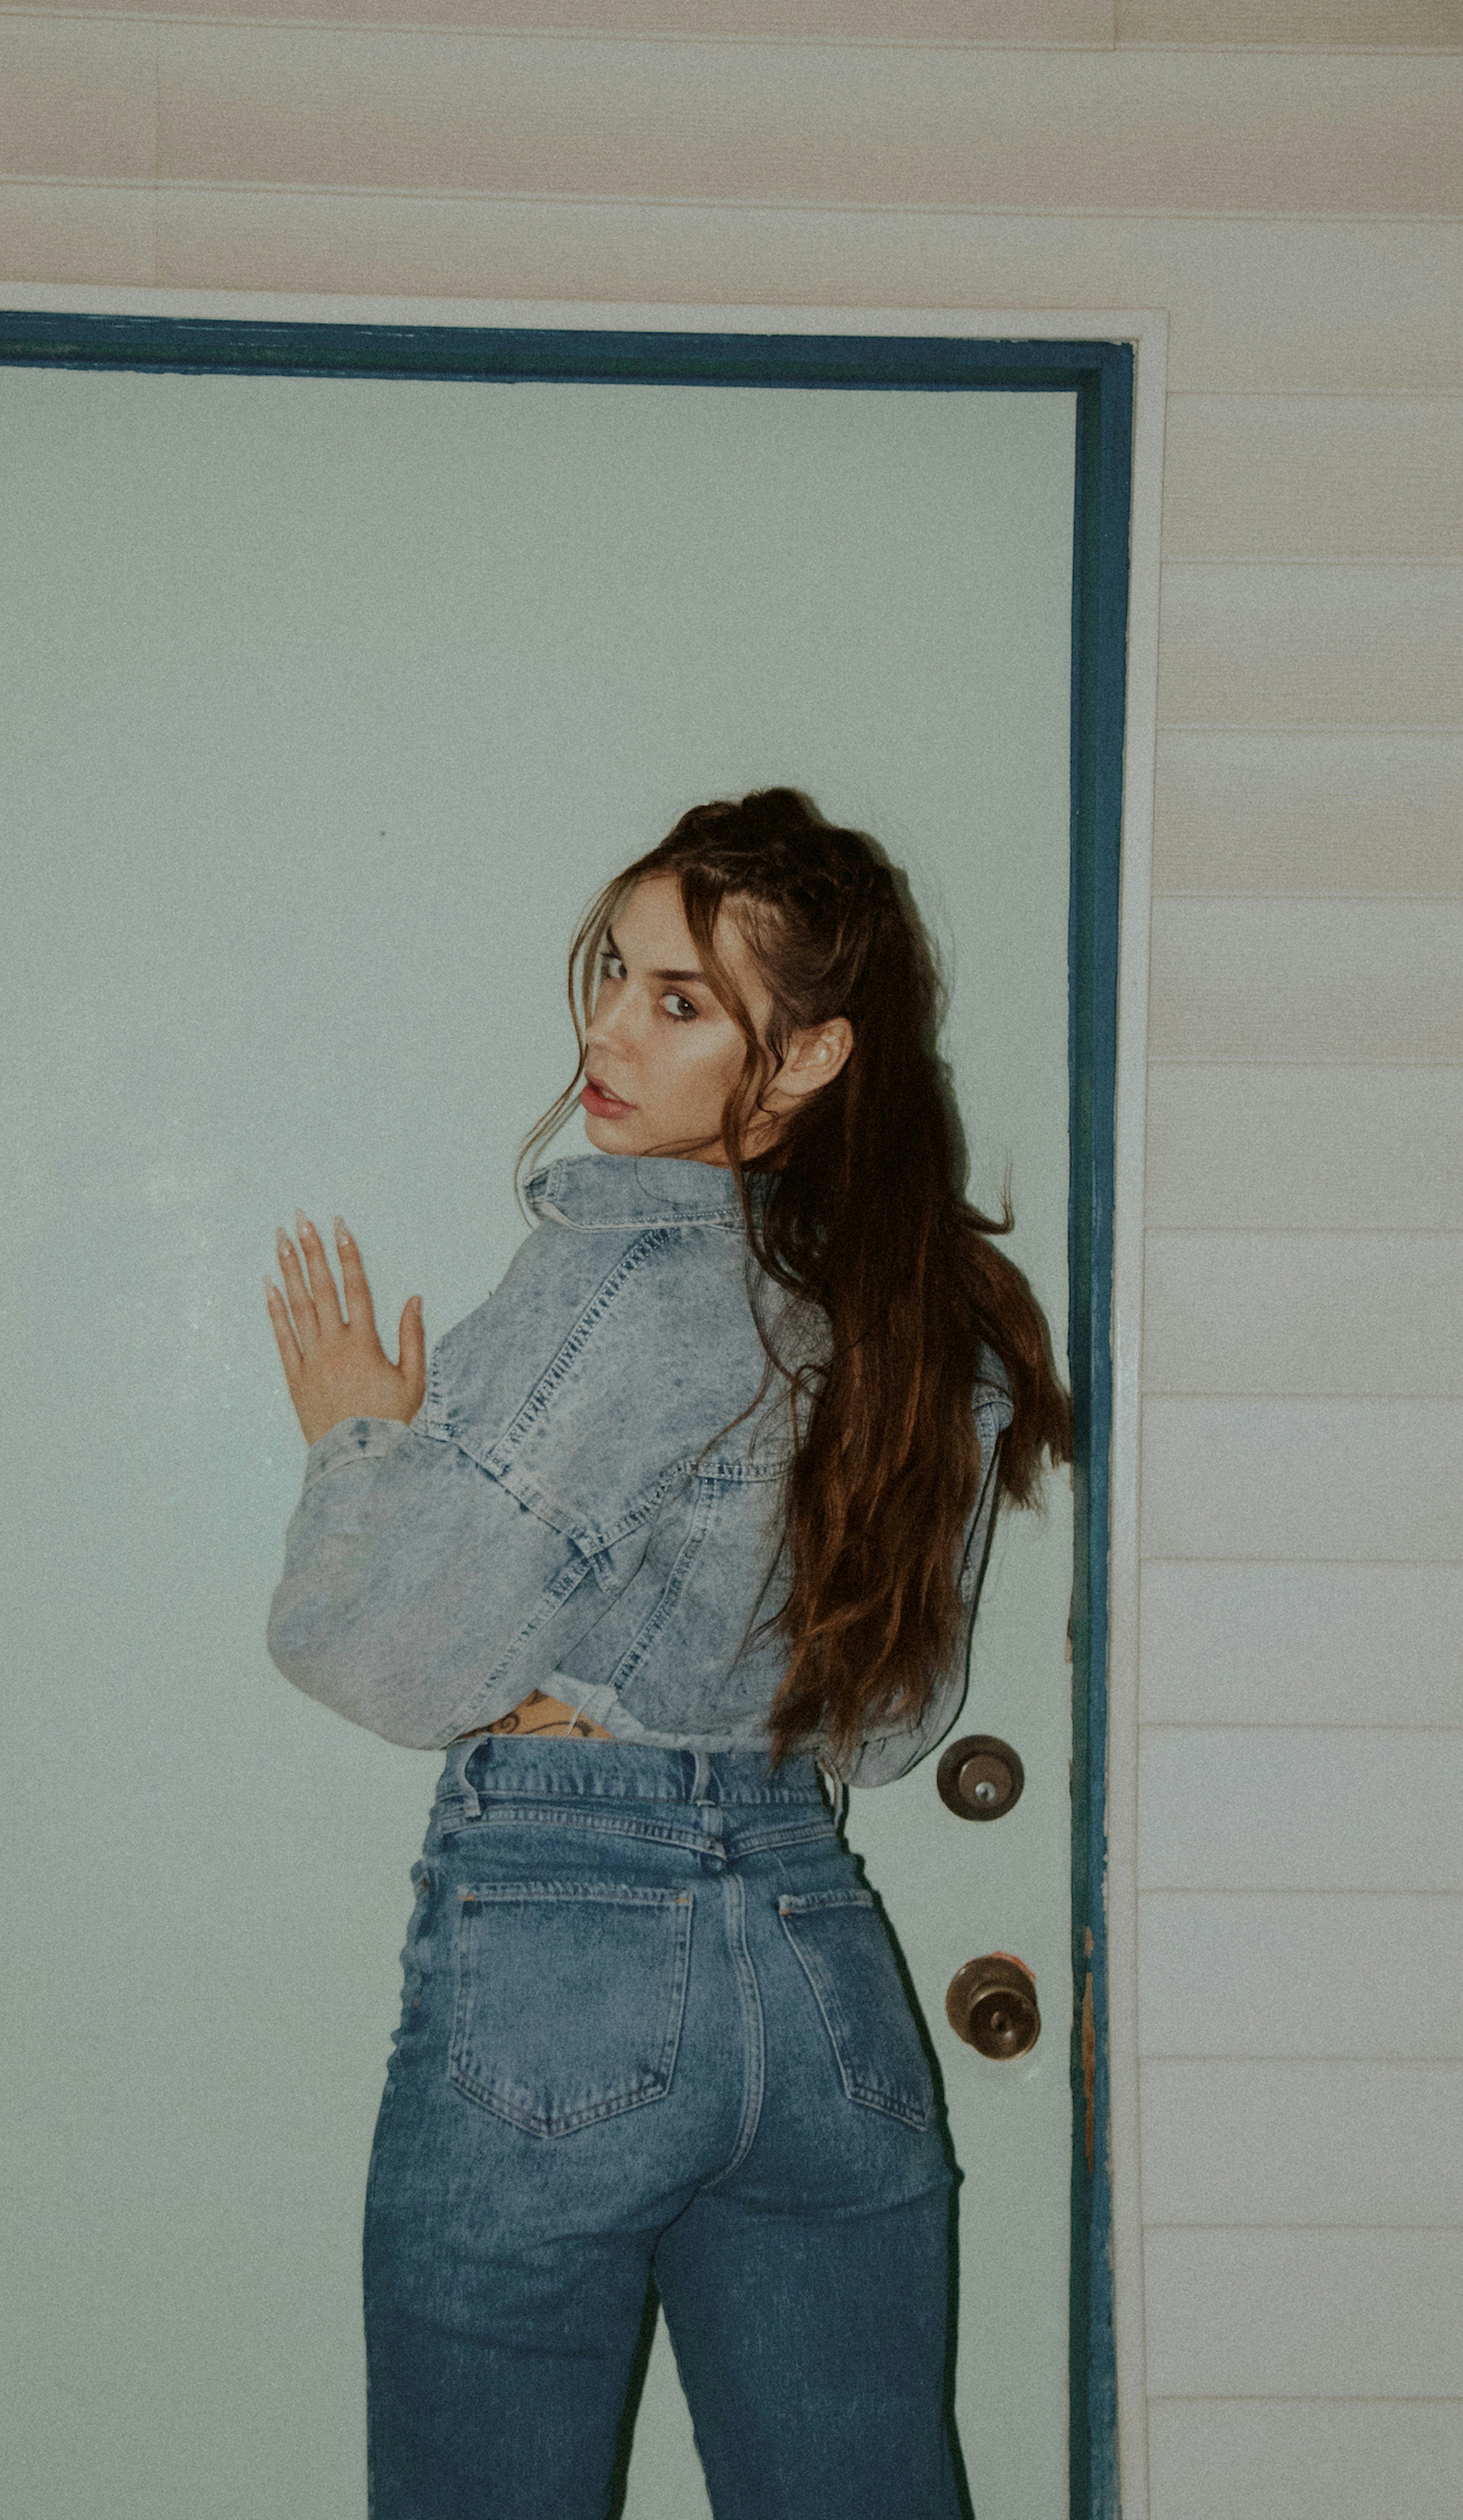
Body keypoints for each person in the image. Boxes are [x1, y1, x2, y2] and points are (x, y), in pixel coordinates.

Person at [262, 787, 1071, 2520]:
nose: (607, 1033)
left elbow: (387, 1661)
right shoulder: (930, 1316)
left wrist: (356, 1446)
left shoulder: (620, 1270)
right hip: (814, 1955)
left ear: (807, 1060)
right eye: (616, 975)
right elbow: (882, 1729)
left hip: (565, 1950)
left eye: (679, 1000)